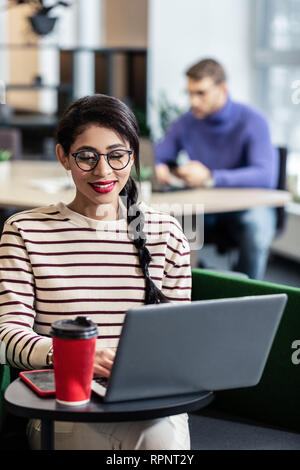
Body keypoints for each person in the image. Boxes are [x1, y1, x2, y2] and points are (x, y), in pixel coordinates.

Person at [0, 94, 191, 450]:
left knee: (157, 435)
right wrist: (77, 356)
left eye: (117, 155)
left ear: (132, 157)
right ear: (63, 157)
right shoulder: (24, 230)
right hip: (64, 407)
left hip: (150, 403)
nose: (103, 171)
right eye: (87, 157)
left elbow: (178, 340)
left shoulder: (167, 233)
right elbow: (7, 336)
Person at [155, 58, 278, 280]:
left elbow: (265, 175)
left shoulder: (253, 120)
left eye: (201, 93)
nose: (193, 101)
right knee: (179, 223)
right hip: (205, 205)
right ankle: (190, 288)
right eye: (190, 93)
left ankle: (247, 297)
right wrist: (161, 167)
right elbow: (161, 152)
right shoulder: (187, 121)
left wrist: (210, 178)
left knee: (257, 230)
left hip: (247, 204)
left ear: (222, 89)